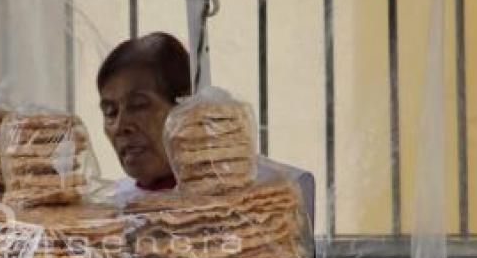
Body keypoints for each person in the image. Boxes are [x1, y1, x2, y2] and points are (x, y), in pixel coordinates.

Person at [97, 31, 315, 228]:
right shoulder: (106, 215)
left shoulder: (265, 199)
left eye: (138, 105)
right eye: (110, 112)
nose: (120, 126)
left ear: (187, 109)